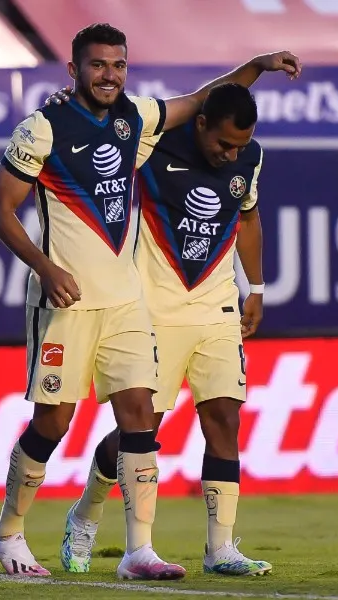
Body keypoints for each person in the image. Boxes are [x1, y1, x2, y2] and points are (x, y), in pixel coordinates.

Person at [0, 22, 300, 580]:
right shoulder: (43, 126)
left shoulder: (136, 121)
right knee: (52, 424)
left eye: (118, 65)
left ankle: (138, 551)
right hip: (66, 300)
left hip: (127, 302)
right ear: (75, 70)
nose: (109, 75)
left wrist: (259, 64)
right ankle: (7, 530)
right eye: (98, 65)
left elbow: (206, 98)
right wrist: (46, 267)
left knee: (138, 419)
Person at [57, 83, 271, 576]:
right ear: (200, 124)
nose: (231, 154)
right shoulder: (153, 146)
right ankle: (88, 509)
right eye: (223, 144)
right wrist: (64, 104)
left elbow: (249, 216)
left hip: (216, 307)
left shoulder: (249, 158)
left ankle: (220, 550)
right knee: (140, 431)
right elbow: (102, 127)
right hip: (152, 308)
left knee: (224, 418)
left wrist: (255, 286)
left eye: (240, 145)